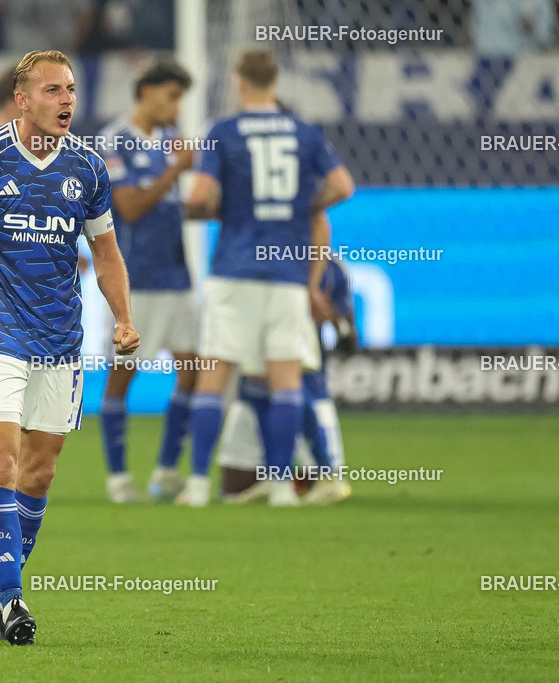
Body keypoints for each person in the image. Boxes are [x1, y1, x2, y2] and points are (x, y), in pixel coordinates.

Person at [0, 50, 139, 645]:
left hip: (60, 338)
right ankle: (14, 605)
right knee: (1, 461)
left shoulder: (87, 168)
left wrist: (122, 318)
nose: (66, 100)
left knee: (39, 474)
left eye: (71, 90)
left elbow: (107, 253)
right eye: (53, 90)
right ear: (23, 99)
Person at [181, 49, 354, 506]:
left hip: (234, 267)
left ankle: (197, 486)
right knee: (286, 379)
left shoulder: (221, 131)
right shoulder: (305, 133)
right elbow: (342, 187)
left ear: (239, 82)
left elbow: (199, 195)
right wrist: (302, 208)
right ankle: (281, 488)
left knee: (214, 376)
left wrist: (216, 208)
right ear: (276, 82)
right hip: (287, 272)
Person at [96, 59, 197, 503]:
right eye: (172, 96)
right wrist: (177, 171)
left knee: (193, 370)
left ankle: (167, 471)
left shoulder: (170, 142)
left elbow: (171, 207)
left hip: (177, 276)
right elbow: (131, 207)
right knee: (123, 376)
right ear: (148, 92)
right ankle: (118, 479)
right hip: (135, 279)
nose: (177, 106)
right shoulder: (112, 140)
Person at [219, 231, 356, 505]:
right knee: (232, 489)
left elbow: (349, 339)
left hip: (310, 393)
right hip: (252, 395)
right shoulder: (249, 261)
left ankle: (324, 471)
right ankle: (275, 475)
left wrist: (338, 324)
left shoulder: (329, 267)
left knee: (308, 481)